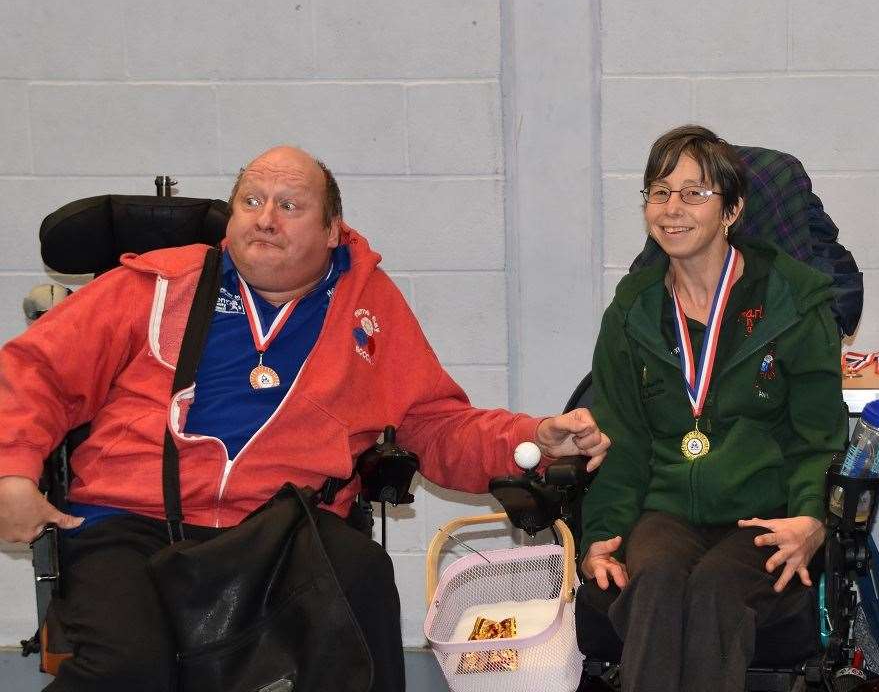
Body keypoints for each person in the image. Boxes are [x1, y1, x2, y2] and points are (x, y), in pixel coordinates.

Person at [0, 145, 610, 692]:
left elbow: (435, 424)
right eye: (251, 201)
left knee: (360, 582)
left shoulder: (367, 310)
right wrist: (12, 472)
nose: (265, 217)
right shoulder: (155, 285)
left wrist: (532, 436)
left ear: (331, 231)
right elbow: (34, 372)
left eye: (289, 205)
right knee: (127, 666)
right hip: (133, 522)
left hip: (282, 531)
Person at [577, 125, 848, 692]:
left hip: (766, 513)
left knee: (715, 594)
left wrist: (811, 520)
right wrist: (600, 534)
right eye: (659, 192)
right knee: (652, 584)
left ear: (732, 210)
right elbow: (620, 438)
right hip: (667, 511)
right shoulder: (632, 312)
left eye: (694, 193)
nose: (672, 209)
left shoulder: (794, 302)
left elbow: (817, 439)